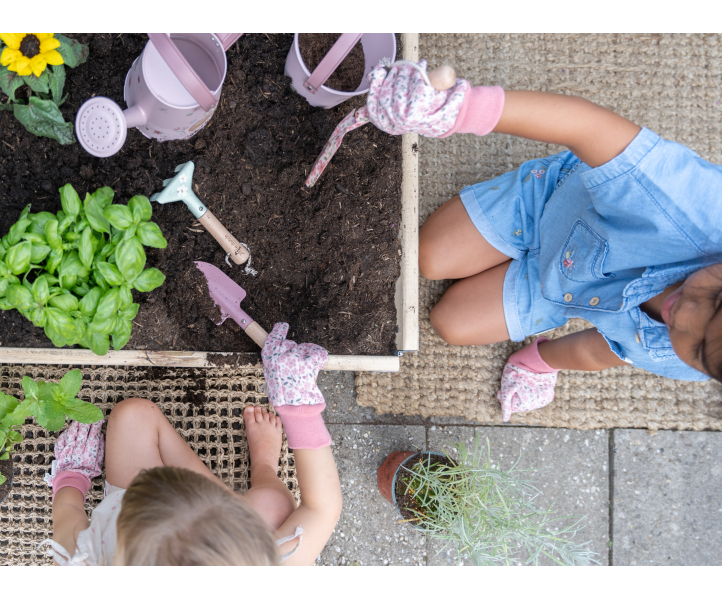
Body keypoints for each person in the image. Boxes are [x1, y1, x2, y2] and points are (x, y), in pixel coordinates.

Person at [407, 69, 722, 421]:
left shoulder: (689, 360)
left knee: (452, 324)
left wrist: (539, 363)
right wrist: (457, 108)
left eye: (696, 347)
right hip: (549, 202)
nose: (684, 316)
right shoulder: (700, 210)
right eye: (717, 300)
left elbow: (604, 350)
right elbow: (588, 127)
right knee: (428, 257)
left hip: (560, 290)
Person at [40, 323, 342, 565]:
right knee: (272, 507)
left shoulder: (90, 562)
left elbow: (67, 517)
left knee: (133, 414)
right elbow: (322, 508)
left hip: (132, 505)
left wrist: (72, 476)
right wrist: (297, 404)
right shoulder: (262, 571)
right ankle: (264, 467)